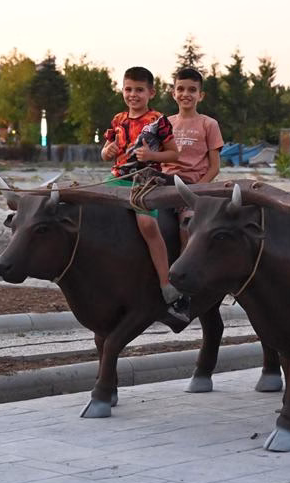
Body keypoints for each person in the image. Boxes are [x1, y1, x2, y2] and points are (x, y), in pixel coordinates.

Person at [101, 66, 188, 323]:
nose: (133, 95)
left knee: (147, 224)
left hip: (146, 178)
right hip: (118, 177)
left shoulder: (158, 120)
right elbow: (106, 150)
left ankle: (165, 283)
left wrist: (151, 155)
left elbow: (174, 154)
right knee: (89, 207)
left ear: (151, 92)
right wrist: (106, 152)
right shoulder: (118, 119)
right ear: (122, 90)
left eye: (139, 90)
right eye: (128, 89)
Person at [162, 67, 225, 249]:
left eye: (192, 90)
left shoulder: (209, 124)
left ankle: (185, 259)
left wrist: (195, 191)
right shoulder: (165, 123)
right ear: (173, 94)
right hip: (164, 182)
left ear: (200, 95)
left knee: (187, 226)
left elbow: (214, 168)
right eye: (180, 89)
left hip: (191, 185)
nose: (185, 94)